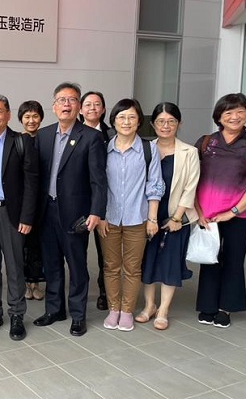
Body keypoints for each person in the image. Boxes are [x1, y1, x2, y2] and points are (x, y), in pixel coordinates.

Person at [34, 84, 107, 337]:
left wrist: (96, 212)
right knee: (51, 265)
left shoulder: (91, 137)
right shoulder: (42, 136)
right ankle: (55, 309)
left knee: (77, 266)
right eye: (61, 100)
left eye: (72, 100)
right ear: (53, 106)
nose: (66, 104)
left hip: (76, 215)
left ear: (78, 106)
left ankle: (78, 314)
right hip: (47, 212)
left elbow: (98, 180)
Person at [194, 93, 246, 328]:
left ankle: (225, 308)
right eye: (228, 112)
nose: (234, 117)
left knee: (233, 260)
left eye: (239, 112)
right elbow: (192, 180)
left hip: (240, 215)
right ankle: (207, 306)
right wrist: (198, 211)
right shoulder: (206, 142)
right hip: (208, 215)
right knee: (210, 258)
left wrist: (233, 211)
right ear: (219, 116)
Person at [98, 98, 164, 332]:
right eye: (121, 117)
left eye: (132, 117)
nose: (126, 121)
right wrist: (99, 215)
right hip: (108, 218)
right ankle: (113, 309)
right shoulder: (104, 147)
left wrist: (153, 219)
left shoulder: (149, 149)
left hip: (138, 218)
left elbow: (155, 185)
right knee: (111, 266)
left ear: (139, 121)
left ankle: (127, 310)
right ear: (113, 121)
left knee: (133, 268)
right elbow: (98, 184)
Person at [0, 95, 38, 341]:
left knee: (14, 266)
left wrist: (27, 216)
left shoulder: (20, 142)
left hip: (12, 213)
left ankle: (16, 314)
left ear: (8, 115)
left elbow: (32, 184)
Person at [136, 102, 199, 330]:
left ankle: (163, 310)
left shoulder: (189, 152)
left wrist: (177, 218)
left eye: (171, 121)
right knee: (149, 261)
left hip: (175, 216)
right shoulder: (144, 148)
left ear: (179, 124)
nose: (166, 126)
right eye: (161, 121)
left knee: (171, 262)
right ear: (153, 124)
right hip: (148, 215)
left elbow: (190, 187)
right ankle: (149, 305)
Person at [80, 90, 113, 310]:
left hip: (104, 202)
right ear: (81, 110)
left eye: (97, 104)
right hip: (78, 202)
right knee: (78, 251)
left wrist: (101, 210)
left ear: (103, 109)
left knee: (105, 253)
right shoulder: (73, 133)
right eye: (88, 104)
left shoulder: (112, 135)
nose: (92, 108)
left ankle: (104, 292)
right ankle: (79, 291)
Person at [17, 100, 46, 301]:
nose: (31, 120)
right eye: (27, 116)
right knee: (23, 245)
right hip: (24, 201)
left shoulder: (46, 139)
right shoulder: (17, 141)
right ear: (21, 119)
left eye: (35, 116)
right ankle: (26, 283)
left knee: (39, 244)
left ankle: (37, 282)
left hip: (43, 200)